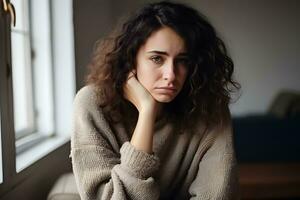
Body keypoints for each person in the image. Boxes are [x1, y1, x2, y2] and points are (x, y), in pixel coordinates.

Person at [70, 1, 240, 199]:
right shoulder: (92, 103)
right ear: (131, 59)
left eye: (183, 60)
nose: (171, 74)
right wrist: (147, 110)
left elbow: (216, 195)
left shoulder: (209, 108)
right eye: (157, 59)